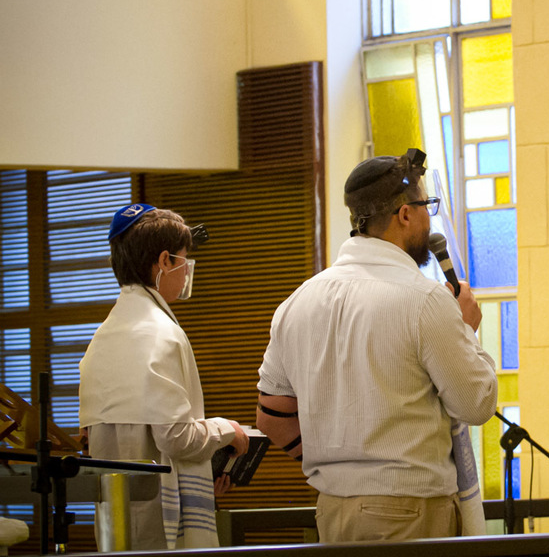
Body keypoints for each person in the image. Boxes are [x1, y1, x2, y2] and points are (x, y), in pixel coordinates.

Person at [256, 149, 497, 543]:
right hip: (409, 514)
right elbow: (476, 404)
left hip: (332, 508)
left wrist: (344, 465)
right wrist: (467, 330)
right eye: (426, 207)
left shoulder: (297, 302)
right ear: (405, 214)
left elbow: (272, 416)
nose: (428, 218)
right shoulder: (424, 299)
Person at [78, 204, 249, 550]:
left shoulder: (102, 336)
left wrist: (203, 470)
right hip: (163, 523)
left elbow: (89, 438)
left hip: (118, 517)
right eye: (183, 260)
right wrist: (227, 429)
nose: (186, 271)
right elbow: (176, 438)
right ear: (165, 261)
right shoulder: (160, 334)